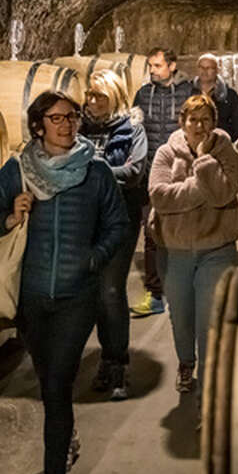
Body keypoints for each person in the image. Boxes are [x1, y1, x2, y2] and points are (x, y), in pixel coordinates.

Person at [0, 91, 127, 474]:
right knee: (48, 380)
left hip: (77, 299)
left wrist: (94, 258)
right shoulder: (19, 171)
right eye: (57, 118)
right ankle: (65, 434)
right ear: (38, 125)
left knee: (57, 384)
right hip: (32, 300)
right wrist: (8, 217)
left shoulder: (95, 172)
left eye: (72, 116)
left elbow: (118, 224)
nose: (67, 124)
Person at [148, 93, 238, 416]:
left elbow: (224, 194)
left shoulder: (226, 151)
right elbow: (160, 197)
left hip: (216, 248)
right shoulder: (165, 153)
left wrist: (203, 160)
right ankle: (186, 362)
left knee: (209, 321)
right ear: (182, 122)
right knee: (182, 320)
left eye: (205, 120)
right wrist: (202, 189)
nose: (199, 126)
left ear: (214, 124)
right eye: (193, 120)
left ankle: (208, 395)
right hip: (175, 251)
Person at [79, 69, 147, 399]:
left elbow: (134, 172)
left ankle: (118, 361)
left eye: (99, 96)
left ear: (115, 97)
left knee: (110, 290)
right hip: (86, 219)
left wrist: (94, 169)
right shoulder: (78, 127)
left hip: (120, 218)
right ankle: (107, 359)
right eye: (89, 95)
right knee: (94, 292)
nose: (91, 102)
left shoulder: (132, 128)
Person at [130, 47, 192, 317]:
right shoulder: (143, 94)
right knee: (152, 234)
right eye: (150, 66)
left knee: (183, 231)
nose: (152, 70)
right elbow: (135, 129)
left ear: (172, 65)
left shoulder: (190, 92)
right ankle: (155, 294)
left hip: (181, 174)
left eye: (157, 65)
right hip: (150, 174)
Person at [191, 52, 238, 142]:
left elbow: (237, 124)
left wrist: (224, 142)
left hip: (219, 147)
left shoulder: (229, 95)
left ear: (217, 70)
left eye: (209, 68)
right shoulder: (188, 92)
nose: (204, 71)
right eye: (201, 67)